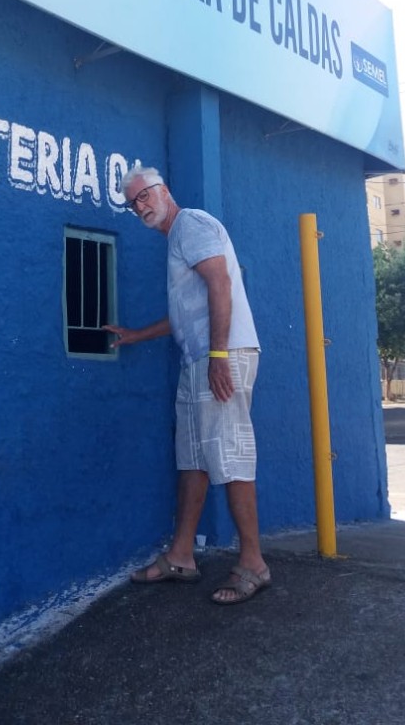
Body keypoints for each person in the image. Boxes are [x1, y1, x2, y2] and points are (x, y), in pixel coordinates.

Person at [105, 165, 270, 605]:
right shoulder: (179, 238)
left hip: (222, 356)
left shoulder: (190, 224)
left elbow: (221, 285)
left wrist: (218, 356)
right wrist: (138, 335)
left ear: (164, 191)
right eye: (133, 202)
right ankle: (181, 556)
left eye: (145, 195)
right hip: (199, 357)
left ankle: (253, 562)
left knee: (230, 453)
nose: (140, 205)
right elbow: (186, 315)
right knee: (193, 457)